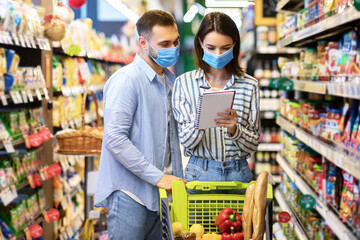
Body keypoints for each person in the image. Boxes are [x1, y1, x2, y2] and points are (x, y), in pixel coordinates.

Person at [94, 10, 186, 240]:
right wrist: (157, 177)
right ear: (142, 43)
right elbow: (115, 138)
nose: (172, 49)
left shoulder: (169, 80)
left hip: (160, 192)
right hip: (131, 194)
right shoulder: (127, 80)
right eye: (164, 44)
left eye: (175, 42)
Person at [172, 11, 259, 185]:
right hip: (200, 172)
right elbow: (186, 142)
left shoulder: (250, 85)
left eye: (225, 48)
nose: (218, 54)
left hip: (238, 174)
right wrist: (203, 118)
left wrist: (235, 129)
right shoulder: (184, 83)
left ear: (234, 44)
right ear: (200, 43)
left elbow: (254, 144)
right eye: (211, 48)